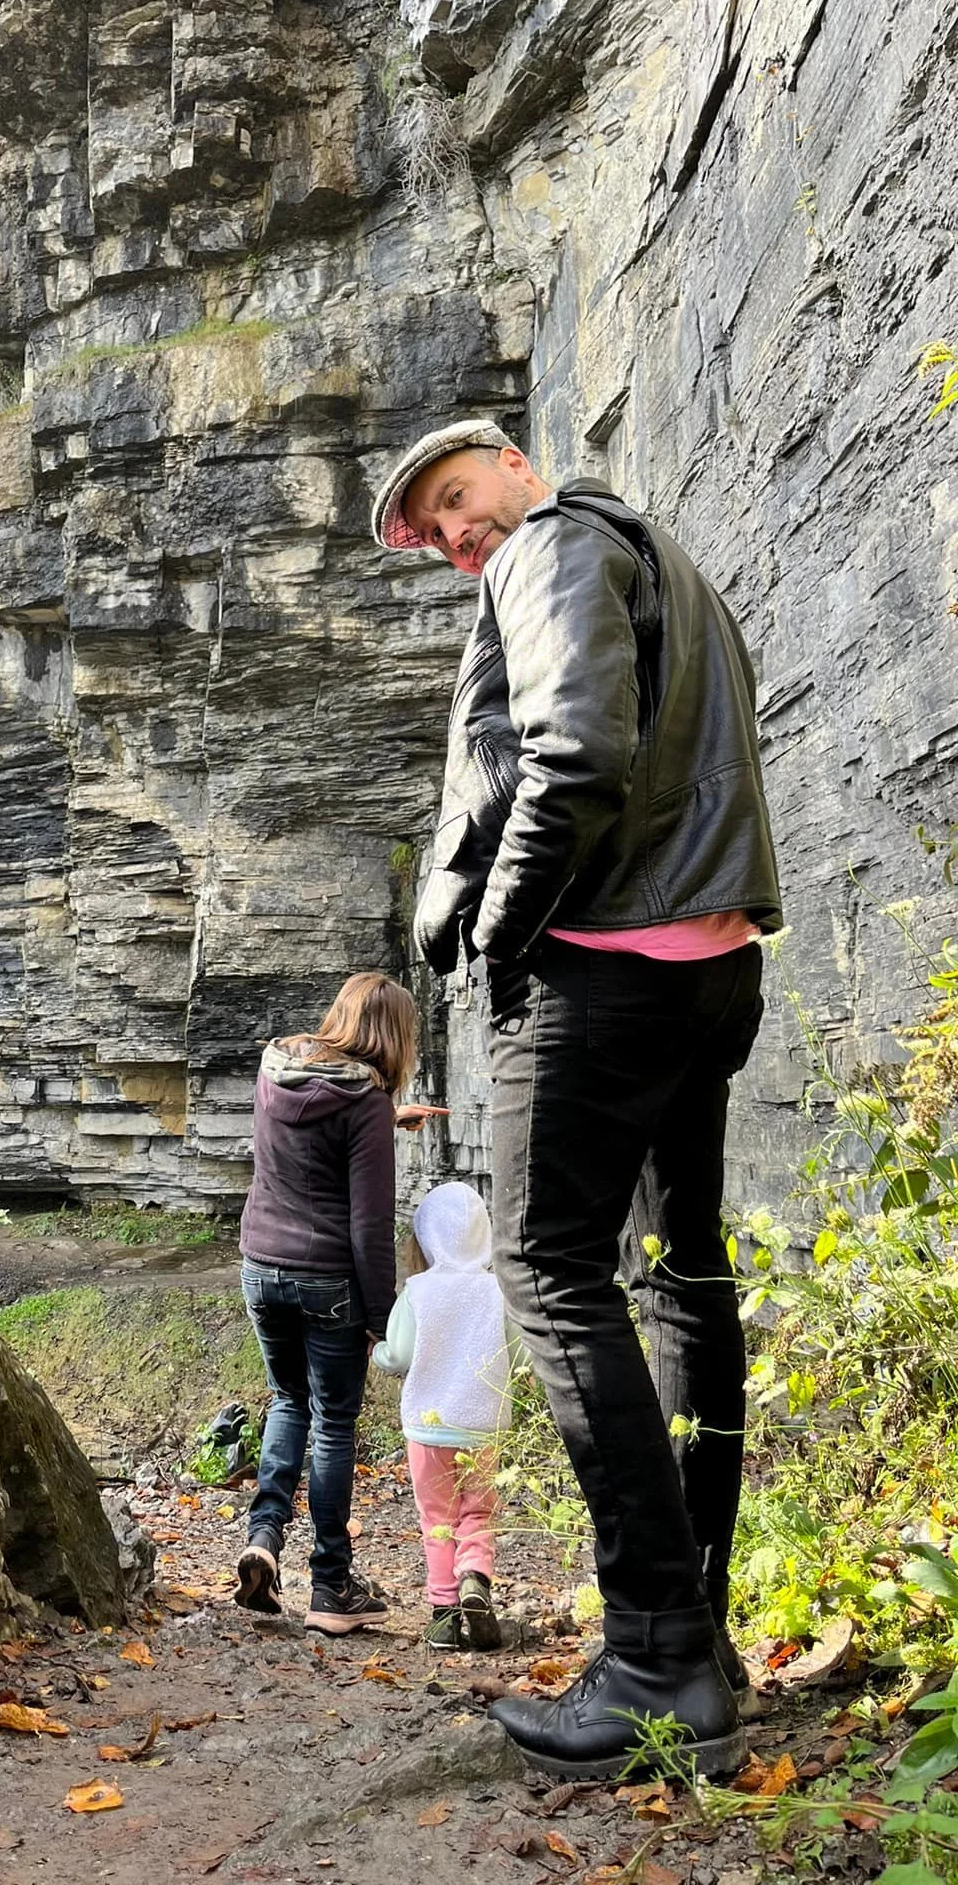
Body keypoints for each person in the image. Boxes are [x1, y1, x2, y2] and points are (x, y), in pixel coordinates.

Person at [370, 421, 782, 1777]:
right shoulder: (663, 558)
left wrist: (498, 935)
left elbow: (577, 754)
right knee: (681, 1274)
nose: (454, 533)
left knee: (550, 1271)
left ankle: (657, 1655)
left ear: (514, 461)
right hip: (709, 959)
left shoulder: (548, 547)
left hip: (604, 967)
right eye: (433, 532)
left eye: (453, 496)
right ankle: (700, 1634)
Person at [234, 971, 418, 1633]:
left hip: (261, 1264)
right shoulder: (364, 1103)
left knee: (288, 1400)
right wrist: (381, 1318)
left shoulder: (275, 1068)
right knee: (334, 1424)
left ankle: (263, 1538)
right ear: (393, 1037)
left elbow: (305, 1142)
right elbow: (370, 1225)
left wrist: (385, 1121)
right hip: (328, 1279)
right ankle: (331, 1588)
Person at [372, 1182, 511, 1652]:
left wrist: (377, 1353)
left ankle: (444, 1616)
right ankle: (475, 1577)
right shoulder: (497, 1291)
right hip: (484, 1423)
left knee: (437, 1518)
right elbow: (519, 1353)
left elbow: (398, 1355)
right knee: (479, 1511)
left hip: (428, 1428)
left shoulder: (418, 1291)